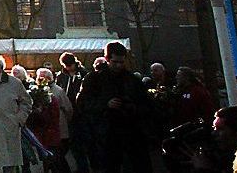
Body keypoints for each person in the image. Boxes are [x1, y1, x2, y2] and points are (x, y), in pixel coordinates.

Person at [76, 41, 151, 173]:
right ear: (107, 59)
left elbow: (145, 103)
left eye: (121, 62)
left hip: (129, 132)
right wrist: (105, 104)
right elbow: (83, 103)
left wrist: (133, 107)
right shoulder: (94, 78)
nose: (118, 66)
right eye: (115, 62)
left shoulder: (131, 79)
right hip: (104, 134)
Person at [30, 67, 72, 173]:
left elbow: (68, 109)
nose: (41, 80)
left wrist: (66, 124)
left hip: (58, 131)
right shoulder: (36, 92)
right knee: (51, 159)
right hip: (44, 132)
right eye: (39, 78)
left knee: (57, 158)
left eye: (43, 78)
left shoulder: (57, 91)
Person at [56, 52, 90, 173]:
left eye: (70, 65)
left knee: (80, 143)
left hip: (81, 112)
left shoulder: (84, 74)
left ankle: (84, 167)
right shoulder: (61, 76)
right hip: (67, 112)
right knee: (71, 143)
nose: (69, 68)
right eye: (66, 65)